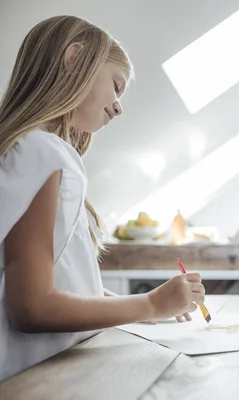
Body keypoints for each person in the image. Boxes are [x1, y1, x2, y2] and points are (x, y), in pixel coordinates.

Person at [0, 16, 206, 381]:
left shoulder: (42, 150)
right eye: (116, 85)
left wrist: (143, 309)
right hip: (33, 379)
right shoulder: (39, 152)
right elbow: (31, 307)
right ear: (74, 58)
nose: (118, 107)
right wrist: (150, 302)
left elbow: (65, 285)